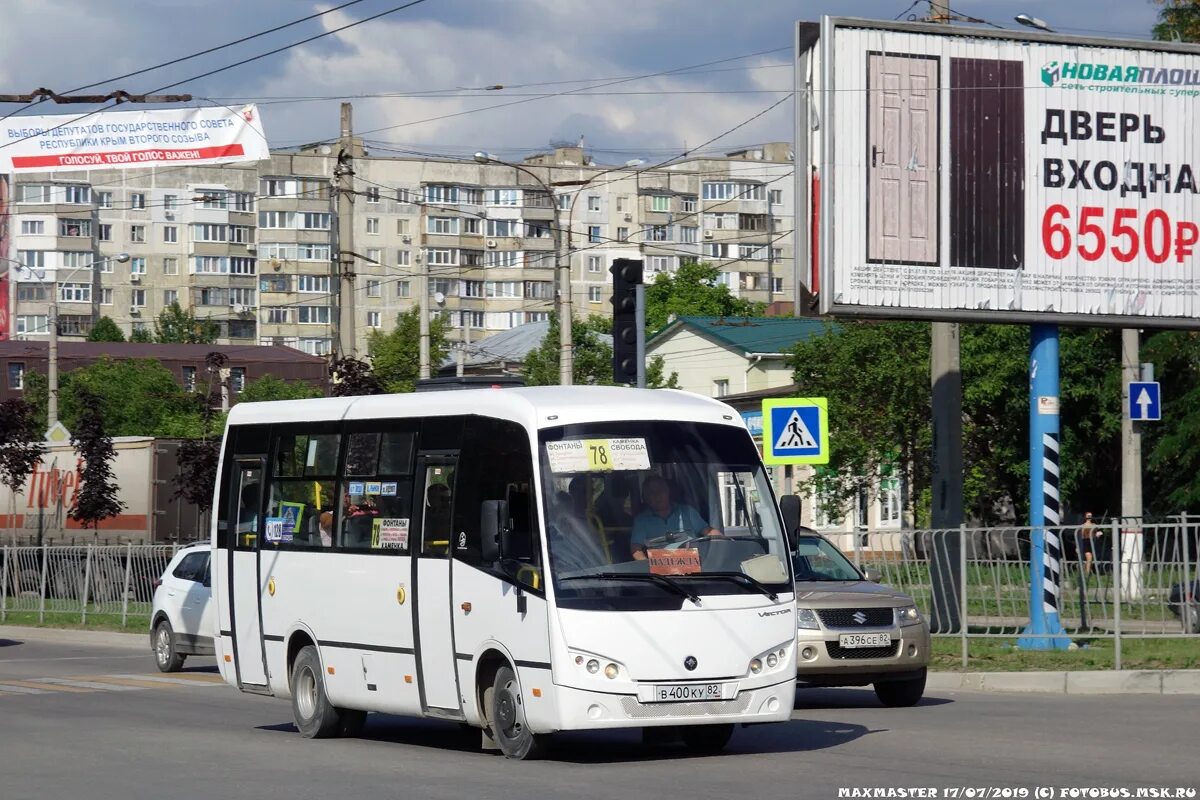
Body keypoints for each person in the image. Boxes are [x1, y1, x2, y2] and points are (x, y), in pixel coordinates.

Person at [630, 475, 718, 560]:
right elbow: (636, 550)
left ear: (668, 492)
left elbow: (710, 532)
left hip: (696, 569)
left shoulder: (687, 512)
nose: (657, 495)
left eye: (661, 490)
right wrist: (647, 567)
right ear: (646, 497)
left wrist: (725, 547)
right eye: (652, 492)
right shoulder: (641, 521)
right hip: (660, 573)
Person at [1079, 512, 1099, 576]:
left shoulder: (1094, 525)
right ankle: (1087, 575)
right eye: (1088, 516)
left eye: (1091, 516)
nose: (1090, 517)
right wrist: (1078, 546)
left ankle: (1086, 573)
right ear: (1085, 517)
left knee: (1090, 559)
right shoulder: (1083, 525)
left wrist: (1098, 534)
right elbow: (1081, 536)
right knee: (1089, 558)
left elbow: (1096, 534)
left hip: (1092, 542)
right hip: (1086, 542)